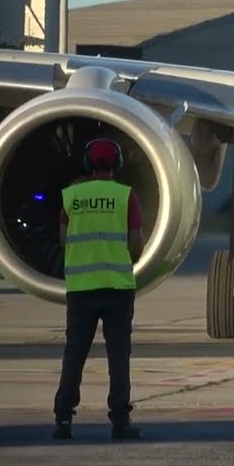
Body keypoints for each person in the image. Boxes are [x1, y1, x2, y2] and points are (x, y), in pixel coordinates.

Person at [52, 137, 144, 440]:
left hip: (80, 289)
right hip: (117, 287)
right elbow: (137, 242)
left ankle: (63, 420)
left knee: (74, 354)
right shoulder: (125, 196)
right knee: (118, 357)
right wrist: (124, 259)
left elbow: (64, 242)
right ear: (117, 164)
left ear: (87, 164)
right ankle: (120, 422)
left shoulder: (71, 197)